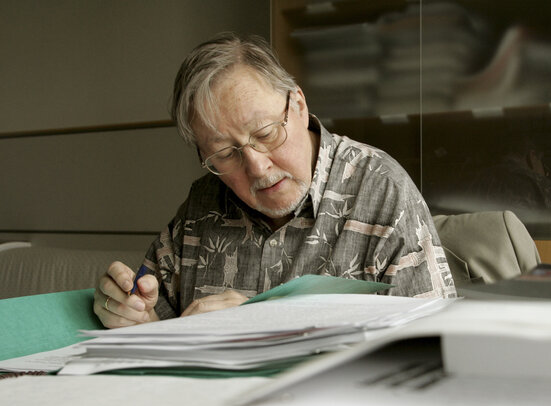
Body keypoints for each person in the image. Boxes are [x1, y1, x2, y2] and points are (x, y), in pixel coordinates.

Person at [94, 33, 455, 328]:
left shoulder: (381, 188)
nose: (257, 167)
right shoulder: (202, 204)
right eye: (225, 154)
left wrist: (263, 326)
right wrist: (136, 318)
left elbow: (432, 347)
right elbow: (154, 324)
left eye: (265, 133)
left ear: (297, 105)